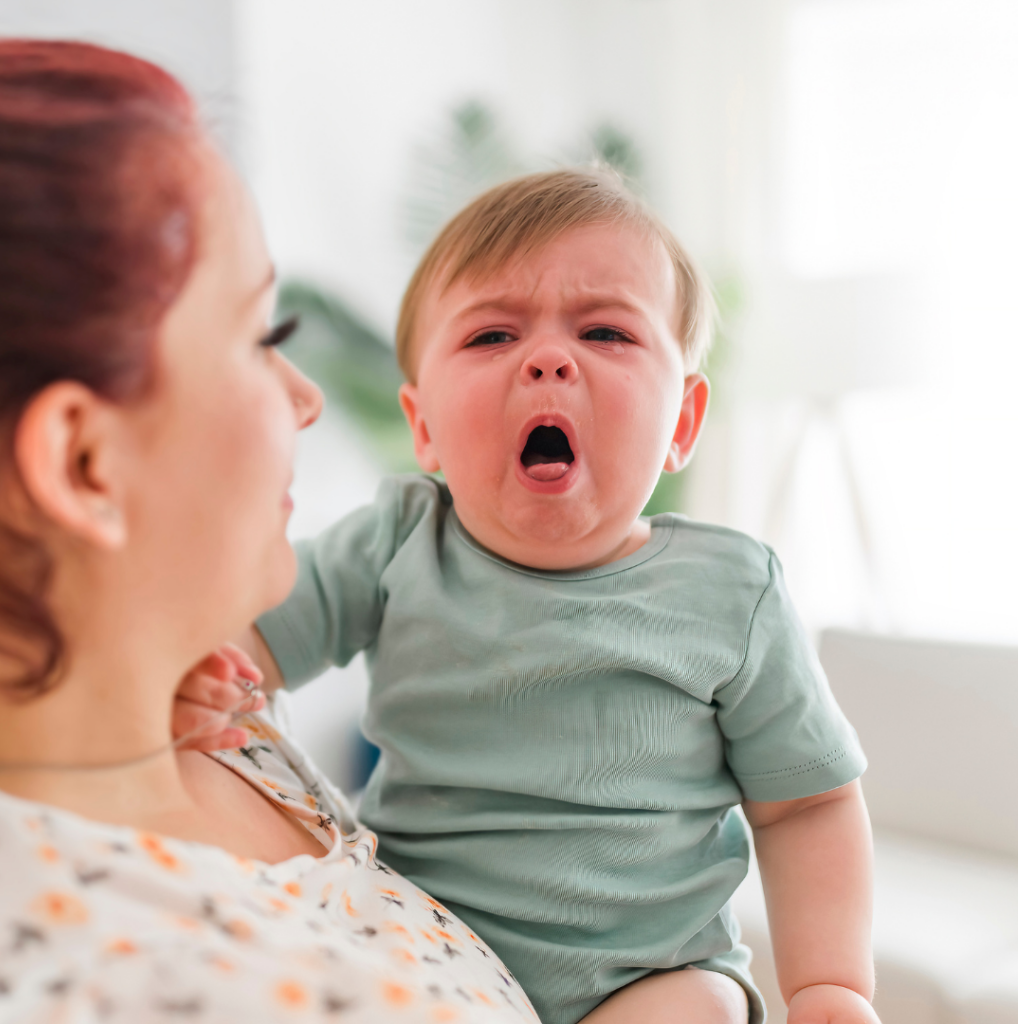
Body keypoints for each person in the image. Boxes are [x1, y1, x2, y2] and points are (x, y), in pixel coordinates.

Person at [183, 170, 883, 1024]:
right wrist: (206, 672)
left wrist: (830, 986)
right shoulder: (397, 541)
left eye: (605, 331)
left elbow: (807, 806)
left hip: (651, 974)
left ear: (684, 424)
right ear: (425, 427)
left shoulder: (731, 592)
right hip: (423, 950)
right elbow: (252, 636)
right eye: (491, 337)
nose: (548, 359)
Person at [0, 39, 543, 1023]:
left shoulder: (215, 722)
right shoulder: (78, 975)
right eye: (262, 337)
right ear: (84, 463)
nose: (307, 397)